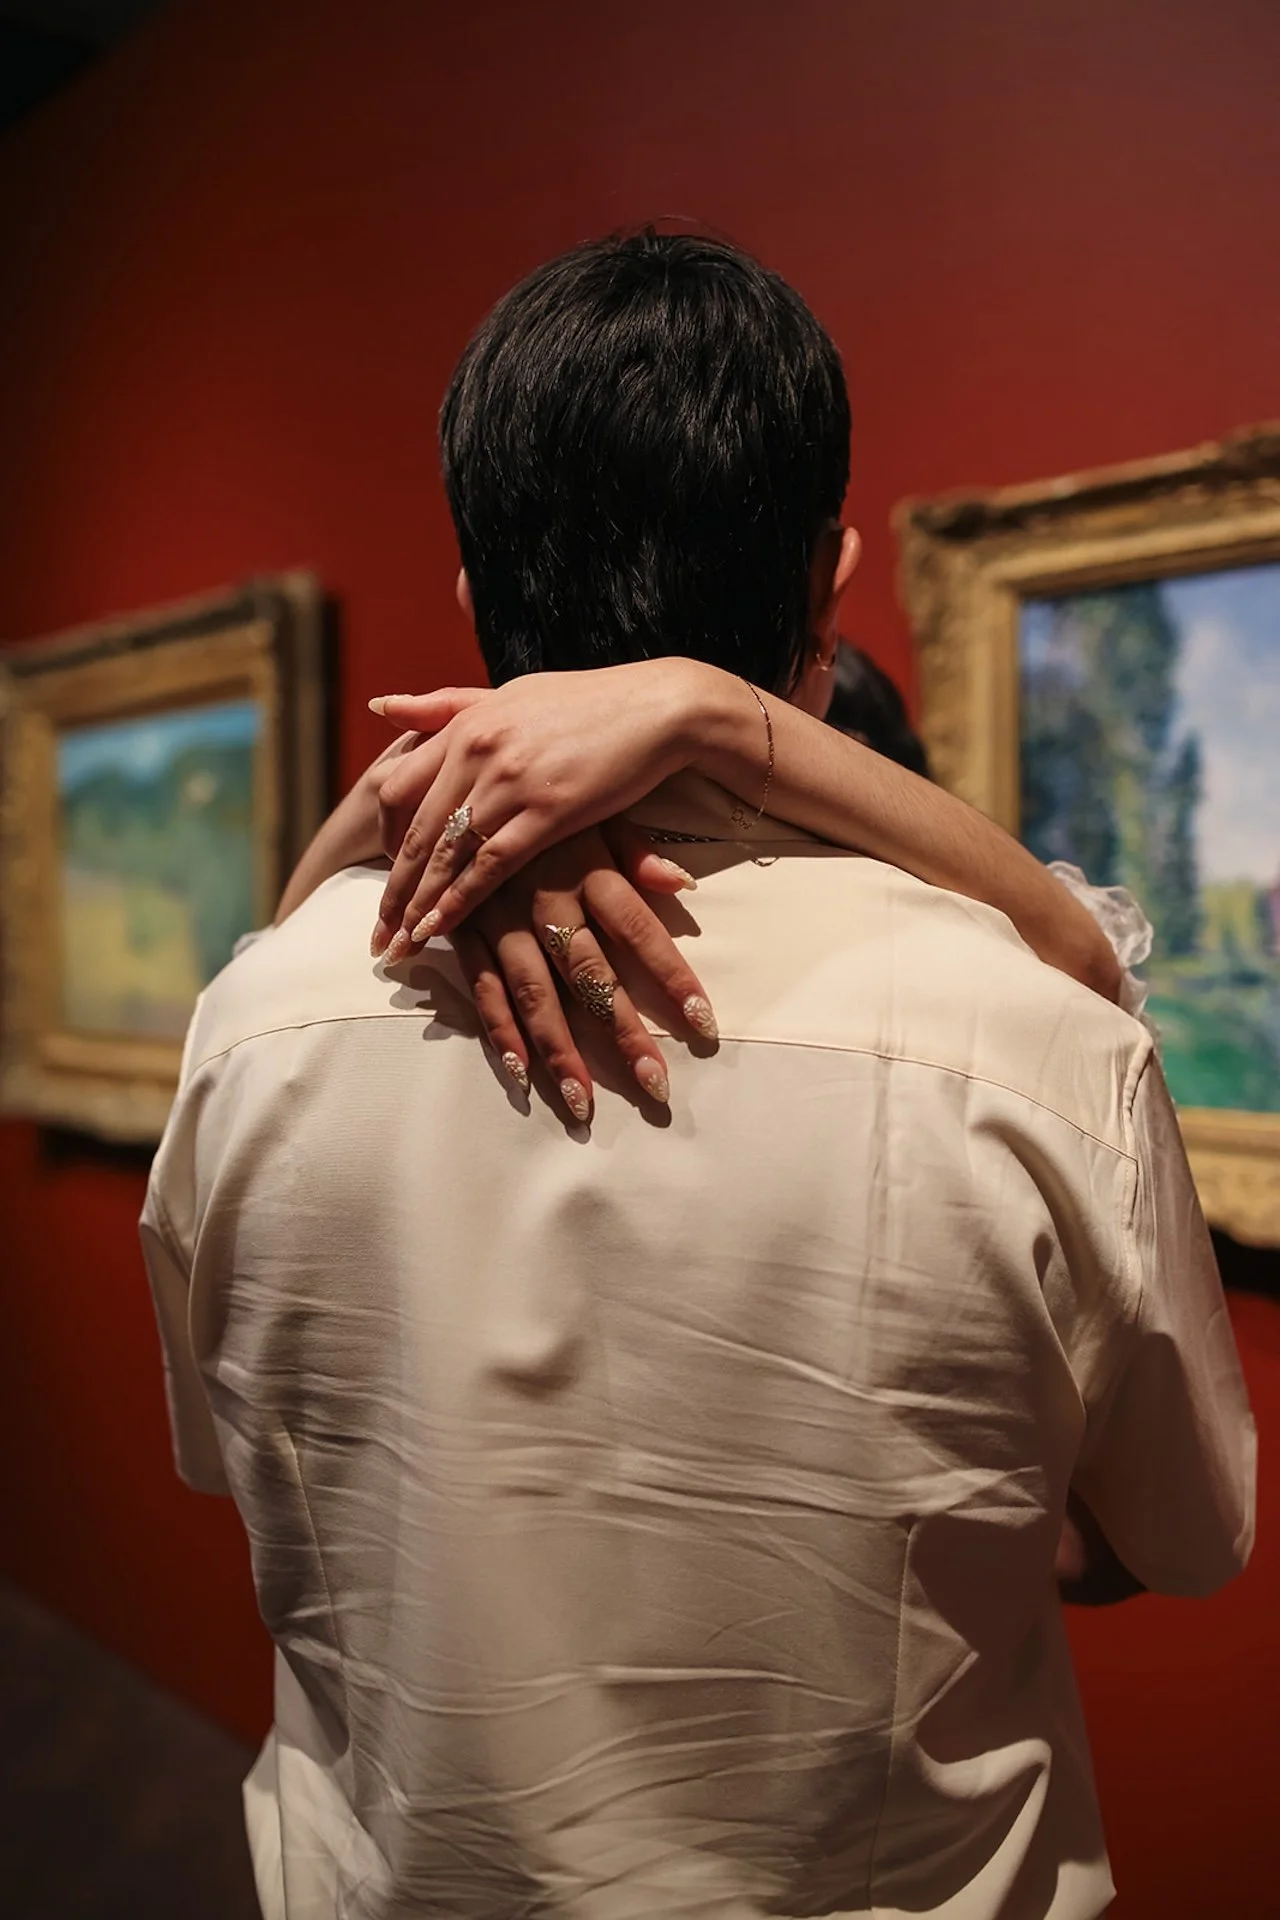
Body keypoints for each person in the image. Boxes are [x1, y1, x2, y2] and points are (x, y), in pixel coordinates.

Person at [142, 231, 1254, 1920]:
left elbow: (233, 1456)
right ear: (830, 576)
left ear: (467, 601)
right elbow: (1184, 1537)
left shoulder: (257, 1026)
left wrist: (383, 827)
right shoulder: (1033, 1043)